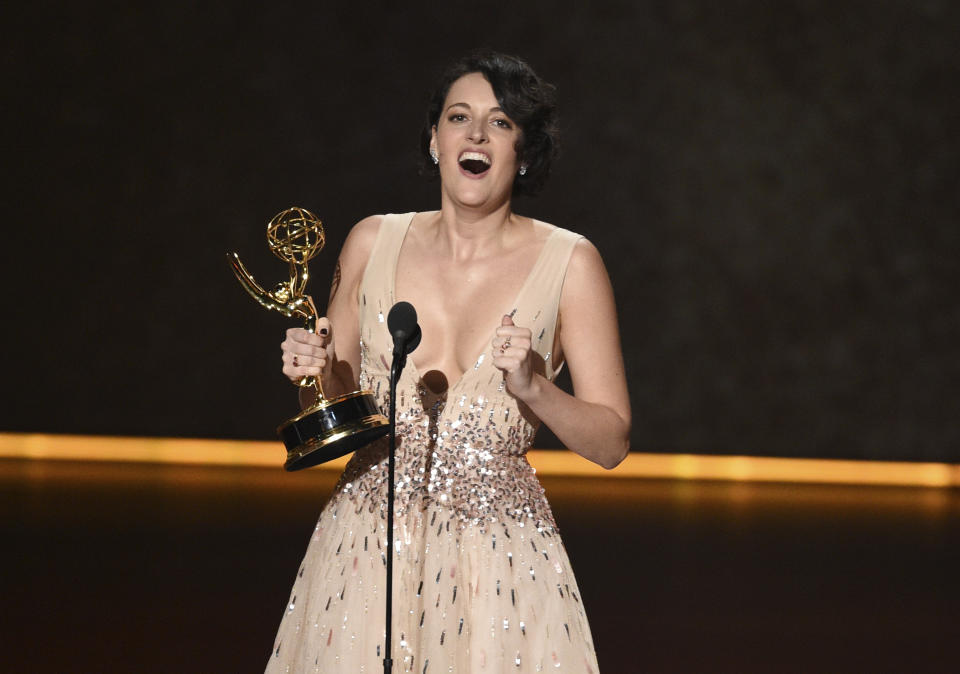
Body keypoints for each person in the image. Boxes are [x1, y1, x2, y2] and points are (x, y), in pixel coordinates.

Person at [268, 51, 630, 673]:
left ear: (524, 150)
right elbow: (330, 401)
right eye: (459, 117)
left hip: (502, 572)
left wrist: (534, 388)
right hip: (366, 550)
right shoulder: (371, 241)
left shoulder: (571, 264)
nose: (476, 134)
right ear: (435, 140)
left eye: (500, 122)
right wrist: (313, 371)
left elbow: (612, 441)